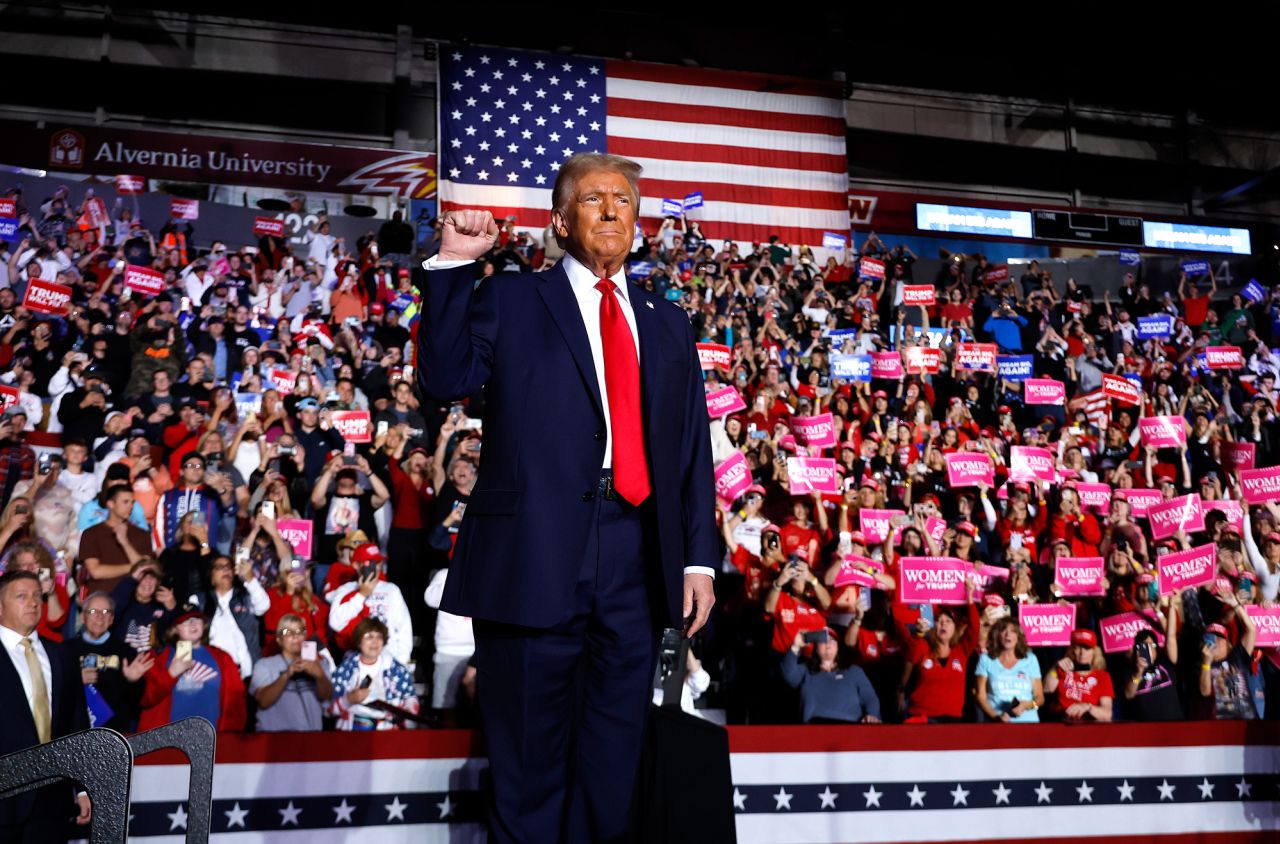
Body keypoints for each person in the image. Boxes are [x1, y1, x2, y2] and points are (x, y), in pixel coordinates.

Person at [419, 153, 715, 843]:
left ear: (638, 225)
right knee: (527, 771)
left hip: (637, 560)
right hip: (534, 555)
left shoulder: (670, 324)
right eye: (593, 199)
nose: (612, 209)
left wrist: (697, 559)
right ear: (559, 220)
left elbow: (689, 451)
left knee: (611, 770)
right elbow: (444, 377)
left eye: (623, 200)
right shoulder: (514, 297)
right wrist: (455, 263)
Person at [0, 571, 91, 841]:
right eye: (21, 596)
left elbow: (77, 726)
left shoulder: (62, 654)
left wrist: (83, 788)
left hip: (53, 803)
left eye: (38, 596)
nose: (33, 602)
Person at [137, 603, 246, 732]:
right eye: (185, 621)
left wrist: (228, 737)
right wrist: (170, 675)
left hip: (212, 741)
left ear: (203, 624)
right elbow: (145, 699)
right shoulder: (158, 657)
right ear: (175, 629)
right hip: (167, 742)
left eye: (196, 619)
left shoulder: (222, 658)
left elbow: (236, 700)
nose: (193, 624)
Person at [328, 616, 419, 730]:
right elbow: (327, 709)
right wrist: (348, 700)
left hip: (388, 730)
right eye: (369, 637)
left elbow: (411, 698)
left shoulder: (396, 669)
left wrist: (407, 712)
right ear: (359, 641)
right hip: (353, 731)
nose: (375, 642)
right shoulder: (345, 670)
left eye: (379, 637)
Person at [249, 612, 333, 732]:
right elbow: (263, 701)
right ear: (279, 639)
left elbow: (326, 698)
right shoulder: (264, 665)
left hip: (311, 739)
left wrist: (320, 675)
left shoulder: (321, 664)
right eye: (287, 632)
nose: (295, 636)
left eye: (300, 631)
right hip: (275, 739)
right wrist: (286, 674)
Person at [781, 628, 880, 724]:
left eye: (832, 640)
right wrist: (795, 646)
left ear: (837, 646)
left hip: (850, 728)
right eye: (822, 640)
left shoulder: (854, 671)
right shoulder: (806, 670)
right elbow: (788, 676)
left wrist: (872, 716)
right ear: (816, 648)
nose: (827, 644)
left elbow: (870, 698)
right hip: (813, 729)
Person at [975, 617, 1044, 722]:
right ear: (997, 635)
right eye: (1004, 630)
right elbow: (981, 696)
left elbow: (1040, 699)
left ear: (1018, 636)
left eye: (1013, 631)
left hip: (1028, 724)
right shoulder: (986, 659)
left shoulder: (1030, 659)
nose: (1008, 635)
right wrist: (996, 717)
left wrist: (1026, 705)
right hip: (997, 724)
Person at [1043, 628, 1114, 721]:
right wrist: (1055, 669)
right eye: (1078, 647)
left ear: (1094, 652)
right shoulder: (1061, 670)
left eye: (1087, 648)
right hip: (1062, 723)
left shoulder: (1102, 676)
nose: (1082, 653)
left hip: (1090, 726)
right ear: (1072, 649)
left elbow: (1107, 714)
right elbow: (1046, 689)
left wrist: (1088, 707)